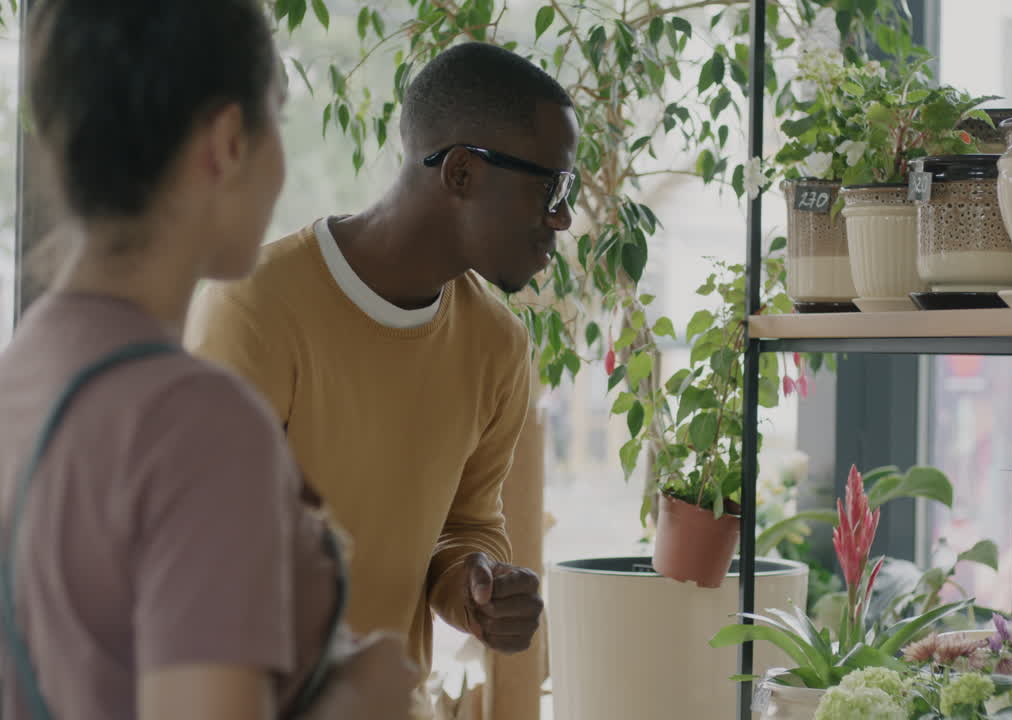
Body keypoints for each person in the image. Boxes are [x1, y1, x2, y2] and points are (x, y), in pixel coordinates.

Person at [0, 1, 417, 718]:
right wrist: (364, 695)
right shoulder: (199, 428)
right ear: (226, 141)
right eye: (276, 120)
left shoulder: (20, 378)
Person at [187, 41, 579, 673]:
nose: (562, 219)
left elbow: (466, 526)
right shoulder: (256, 309)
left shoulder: (498, 344)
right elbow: (193, 562)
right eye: (552, 186)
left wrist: (476, 585)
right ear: (460, 173)